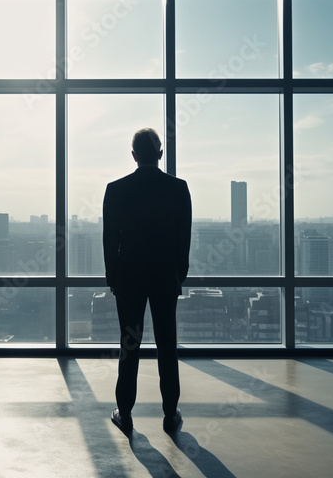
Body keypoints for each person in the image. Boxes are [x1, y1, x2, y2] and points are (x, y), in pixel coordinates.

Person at [103, 127, 192, 437]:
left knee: (129, 344)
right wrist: (178, 273)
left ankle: (124, 412)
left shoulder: (116, 190)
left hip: (128, 278)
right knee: (167, 345)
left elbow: (110, 240)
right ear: (160, 154)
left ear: (133, 156)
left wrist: (112, 277)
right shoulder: (178, 188)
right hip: (165, 276)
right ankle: (170, 414)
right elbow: (184, 240)